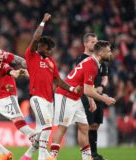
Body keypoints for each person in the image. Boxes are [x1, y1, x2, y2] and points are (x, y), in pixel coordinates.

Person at [20, 13, 81, 160]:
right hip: (37, 98)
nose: (48, 51)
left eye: (49, 49)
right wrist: (43, 22)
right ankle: (43, 157)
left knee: (42, 131)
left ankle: (26, 157)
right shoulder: (32, 55)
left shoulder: (51, 62)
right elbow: (35, 38)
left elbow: (58, 80)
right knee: (47, 126)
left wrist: (72, 89)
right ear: (40, 46)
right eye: (46, 47)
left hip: (49, 101)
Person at [50, 40, 116, 160]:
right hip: (65, 94)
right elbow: (87, 90)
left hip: (76, 97)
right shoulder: (92, 65)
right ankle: (51, 157)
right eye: (108, 51)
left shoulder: (93, 63)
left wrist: (91, 100)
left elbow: (86, 87)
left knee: (84, 126)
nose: (111, 53)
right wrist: (104, 99)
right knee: (62, 127)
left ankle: (86, 158)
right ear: (101, 52)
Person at [75, 33, 108, 160]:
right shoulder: (81, 59)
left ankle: (94, 154)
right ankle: (87, 155)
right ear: (85, 44)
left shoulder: (100, 59)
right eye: (92, 42)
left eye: (96, 41)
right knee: (86, 125)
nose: (95, 44)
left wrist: (102, 87)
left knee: (95, 125)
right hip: (85, 95)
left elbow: (105, 77)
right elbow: (79, 78)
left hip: (98, 95)